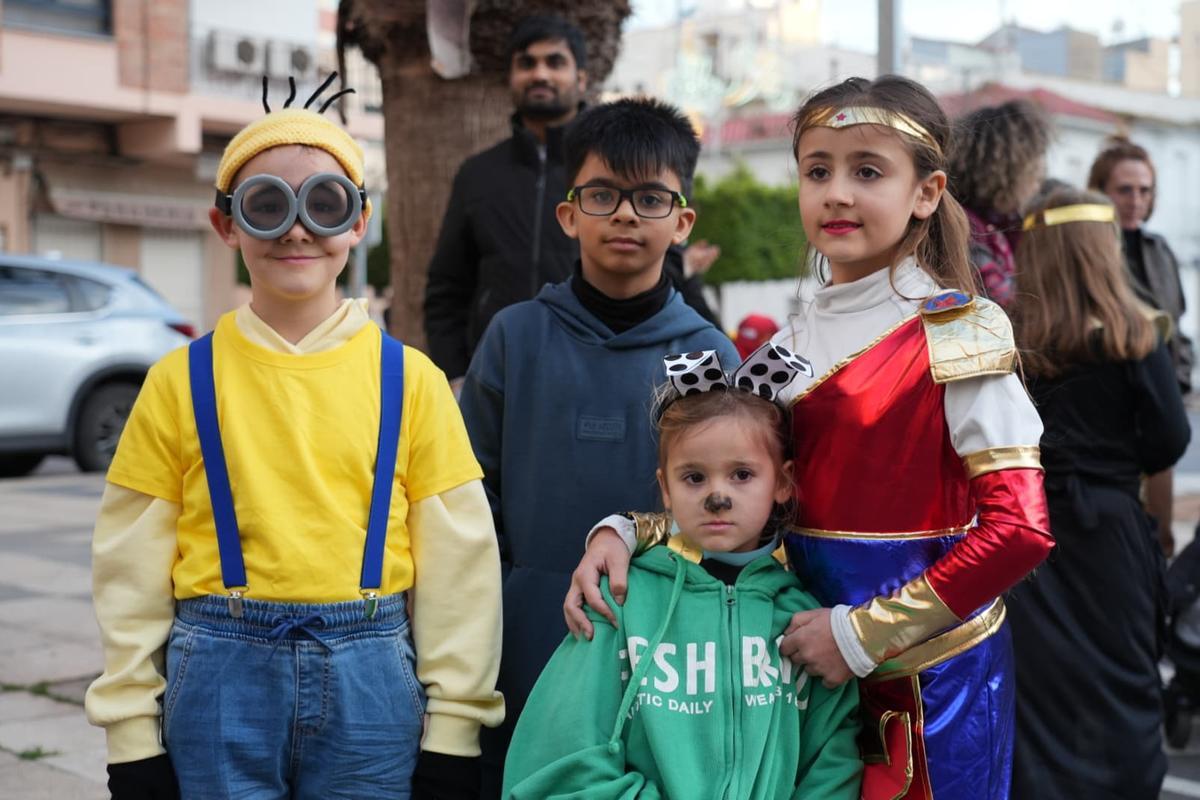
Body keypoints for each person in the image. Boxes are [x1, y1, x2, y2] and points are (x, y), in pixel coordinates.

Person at [564, 75, 1054, 800]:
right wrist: (626, 531)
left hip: (928, 687)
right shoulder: (787, 345)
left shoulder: (959, 330)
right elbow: (740, 502)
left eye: (867, 171)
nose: (837, 193)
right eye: (817, 170)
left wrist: (860, 637)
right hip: (790, 671)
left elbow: (1021, 532)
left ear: (926, 192)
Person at [84, 78, 503, 799]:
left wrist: (455, 728)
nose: (297, 229)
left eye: (325, 204)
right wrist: (131, 736)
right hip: (215, 681)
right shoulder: (180, 381)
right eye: (267, 206)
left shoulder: (415, 382)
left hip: (371, 681)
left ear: (359, 221)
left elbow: (461, 568)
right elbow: (129, 566)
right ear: (228, 227)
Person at [458, 96, 740, 797]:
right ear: (569, 213)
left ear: (682, 222)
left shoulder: (707, 354)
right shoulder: (515, 337)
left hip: (661, 645)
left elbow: (726, 518)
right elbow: (467, 502)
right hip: (520, 638)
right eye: (604, 195)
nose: (623, 214)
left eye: (650, 198)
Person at [502, 347, 862, 800]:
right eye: (694, 477)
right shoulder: (619, 600)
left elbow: (832, 766)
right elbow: (560, 758)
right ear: (665, 490)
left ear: (783, 483)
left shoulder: (804, 620)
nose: (717, 496)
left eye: (742, 474)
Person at [1006, 187, 1190, 799]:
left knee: (1041, 686)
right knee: (1122, 676)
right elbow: (1169, 440)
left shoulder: (1008, 338)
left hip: (1028, 534)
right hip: (1111, 532)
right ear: (1102, 248)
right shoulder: (1136, 334)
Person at [424, 16, 719, 388]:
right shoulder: (478, 174)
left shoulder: (626, 164)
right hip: (501, 372)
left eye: (555, 62)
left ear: (581, 78)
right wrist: (456, 374)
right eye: (527, 63)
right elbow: (447, 287)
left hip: (606, 368)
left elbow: (666, 269)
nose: (541, 74)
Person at [1089, 137, 1192, 555]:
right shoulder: (1089, 251)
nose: (1136, 200)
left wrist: (1177, 386)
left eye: (1144, 190)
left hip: (1157, 415)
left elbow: (1178, 331)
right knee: (1115, 543)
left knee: (1159, 537)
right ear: (1101, 192)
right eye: (1125, 189)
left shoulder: (1159, 250)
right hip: (1106, 425)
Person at [946, 99, 1051, 308]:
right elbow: (1005, 308)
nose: (1040, 178)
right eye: (1034, 169)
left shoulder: (1003, 225)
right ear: (1006, 170)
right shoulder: (967, 230)